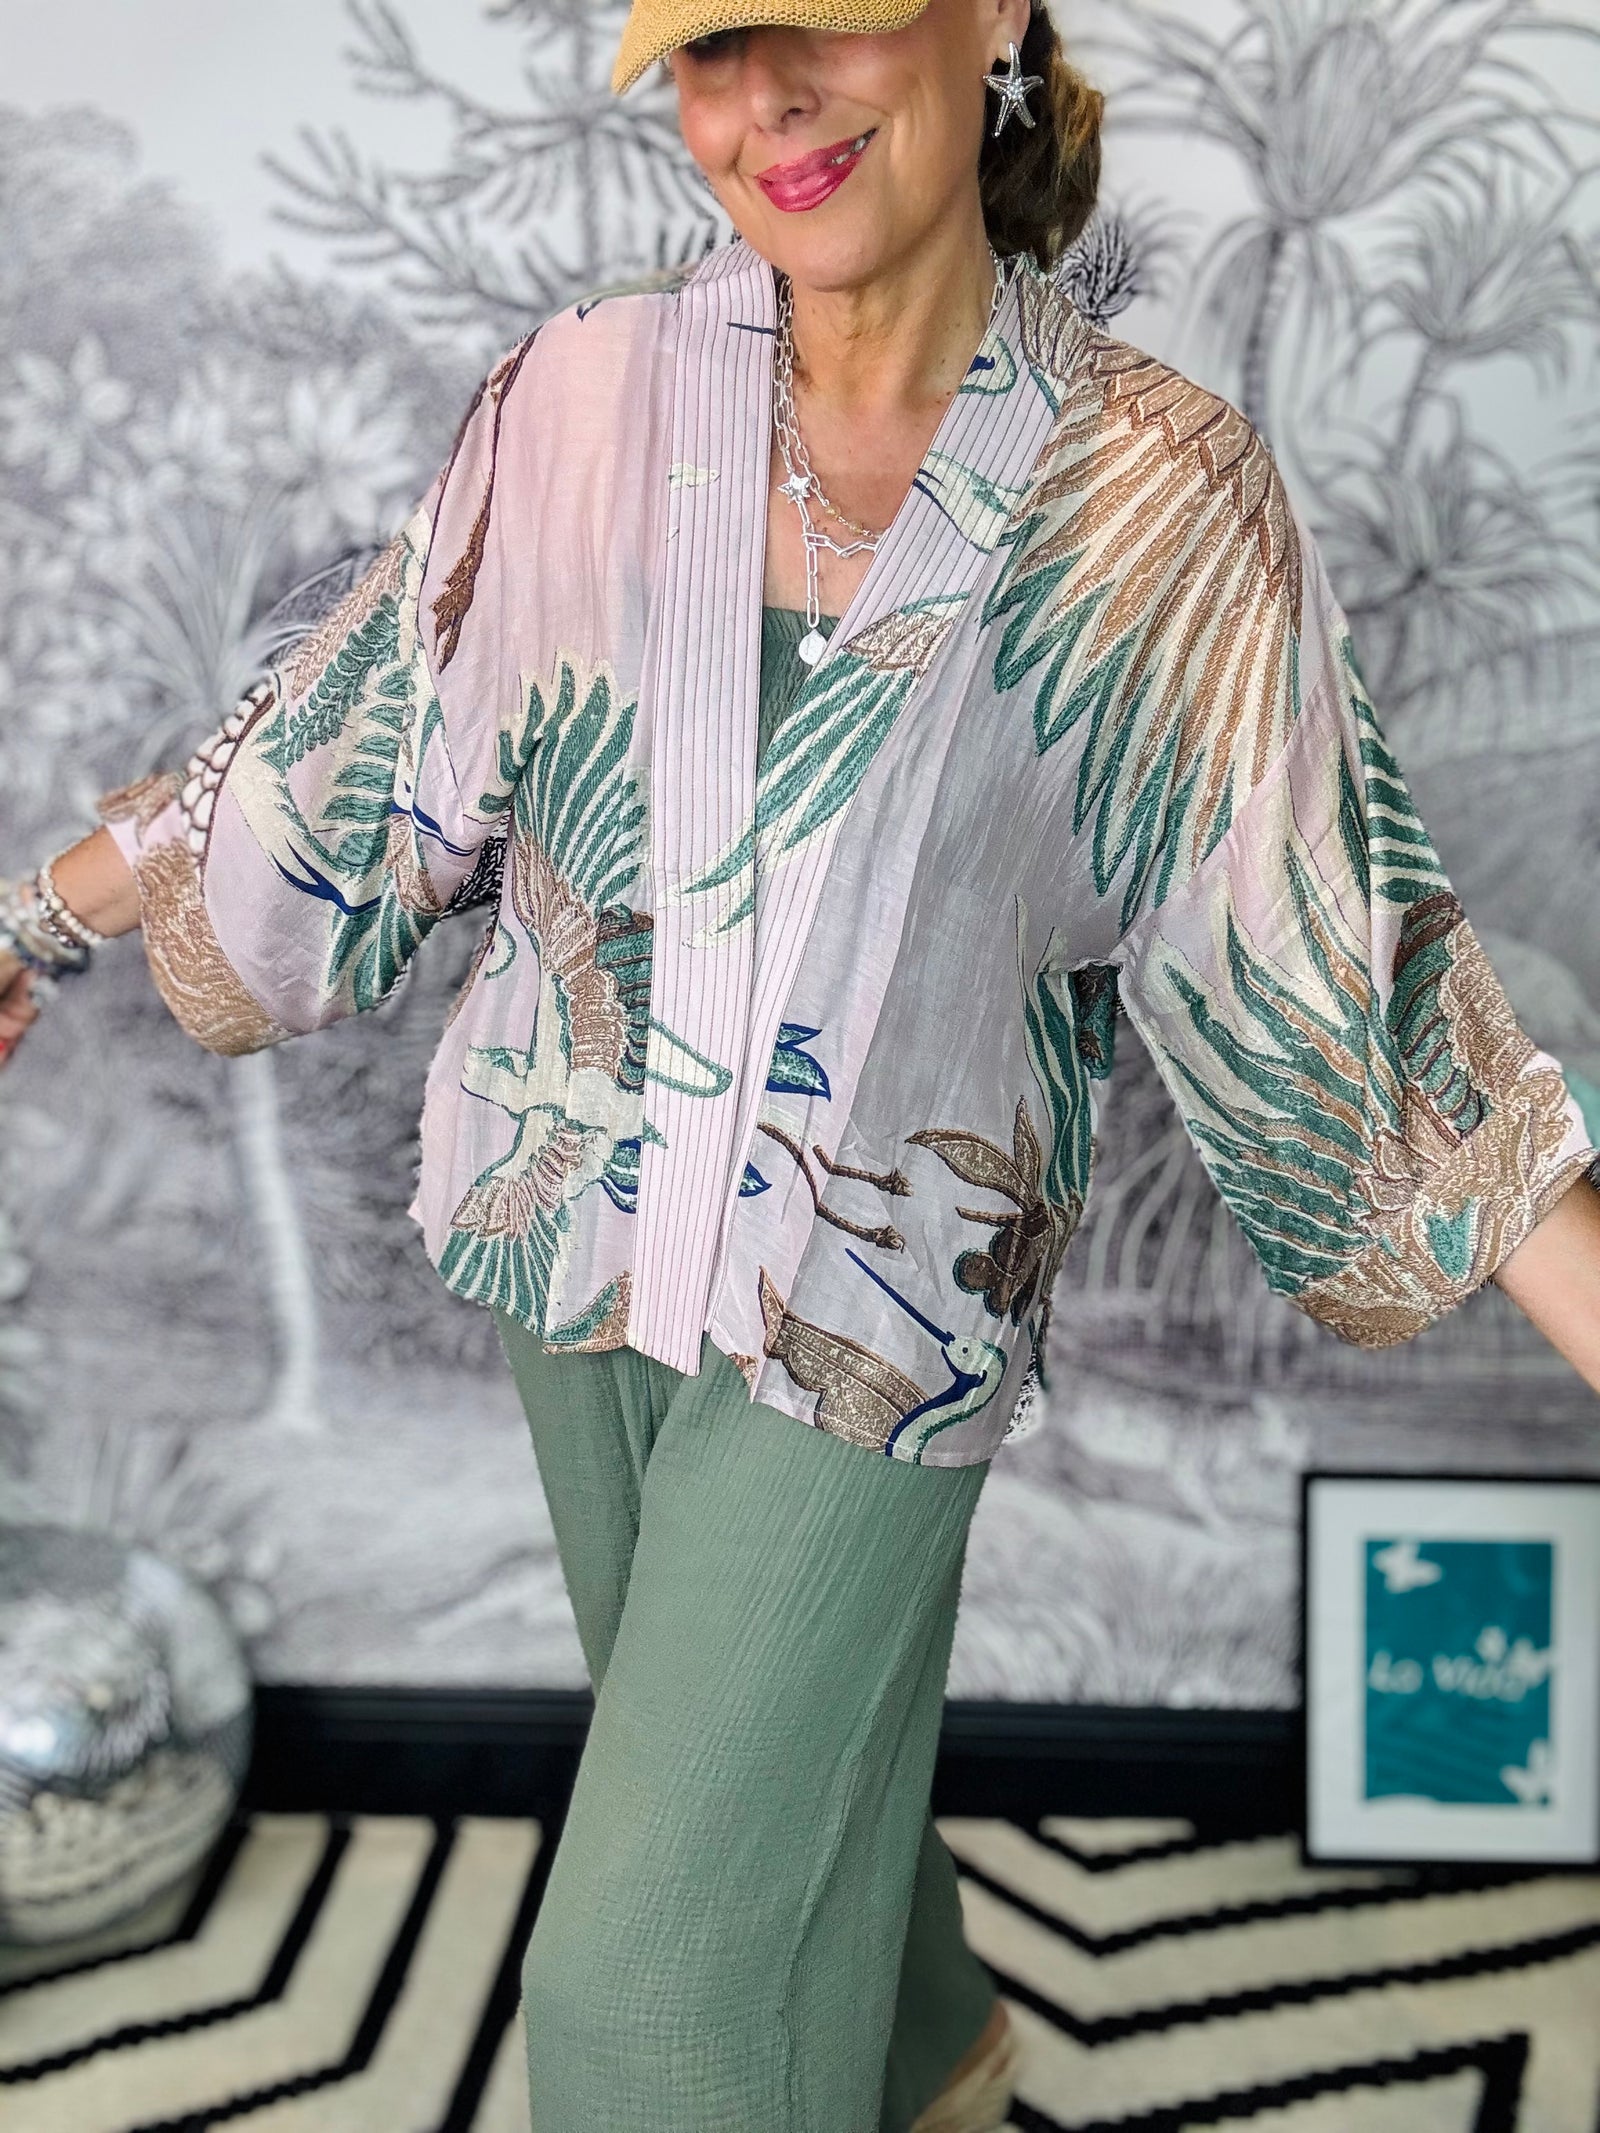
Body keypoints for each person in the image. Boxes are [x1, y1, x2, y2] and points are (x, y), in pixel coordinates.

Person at [3, 1, 1598, 2125]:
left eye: (822, 17)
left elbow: (1329, 958)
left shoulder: (1153, 498)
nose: (765, 99)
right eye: (708, 46)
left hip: (877, 1305)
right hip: (565, 1228)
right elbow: (356, 724)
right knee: (759, 1811)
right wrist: (30, 918)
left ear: (989, 16)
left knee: (649, 1989)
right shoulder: (580, 396)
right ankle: (931, 2050)